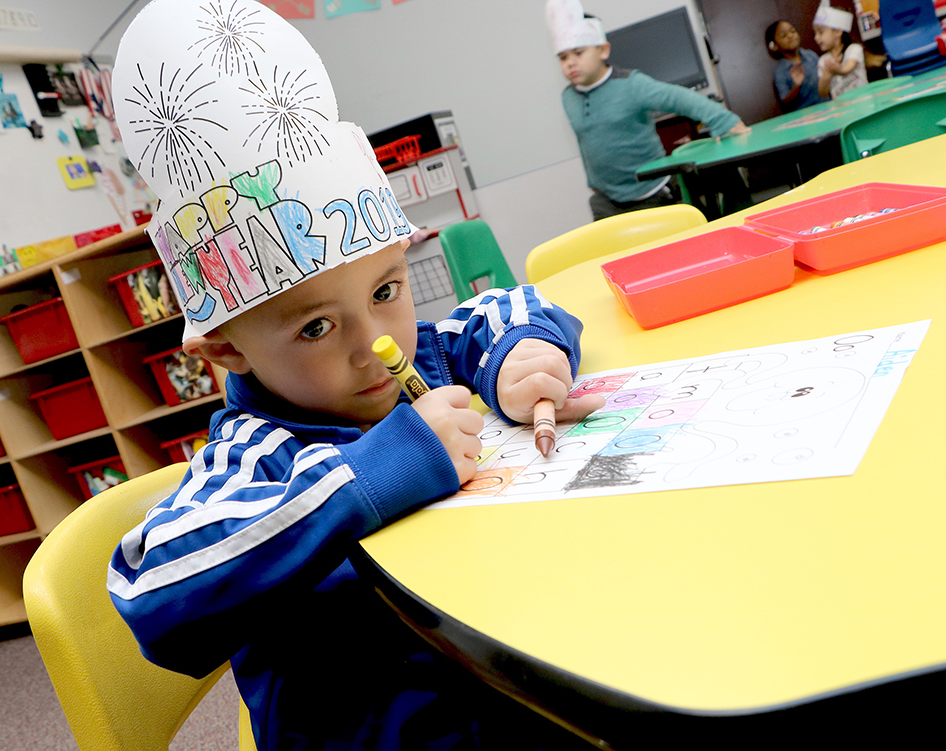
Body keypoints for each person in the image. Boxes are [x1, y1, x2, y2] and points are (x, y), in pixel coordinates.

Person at [106, 1, 605, 749]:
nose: (375, 345)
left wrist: (521, 355)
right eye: (314, 326)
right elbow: (152, 593)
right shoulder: (254, 455)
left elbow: (509, 306)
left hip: (504, 684)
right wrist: (375, 473)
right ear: (228, 351)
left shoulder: (419, 354)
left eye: (385, 290)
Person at [546, 0, 751, 221]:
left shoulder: (632, 84)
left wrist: (724, 119)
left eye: (578, 53)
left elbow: (679, 98)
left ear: (603, 50)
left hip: (653, 192)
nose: (570, 63)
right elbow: (585, 141)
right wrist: (592, 182)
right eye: (563, 57)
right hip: (608, 201)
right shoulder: (568, 97)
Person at [766, 20, 827, 112]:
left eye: (793, 31)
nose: (790, 36)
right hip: (806, 115)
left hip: (827, 105)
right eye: (783, 36)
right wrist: (796, 85)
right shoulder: (780, 72)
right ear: (774, 46)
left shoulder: (811, 55)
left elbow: (825, 76)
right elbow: (785, 100)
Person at [813, 5, 867, 100]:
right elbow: (823, 93)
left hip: (863, 103)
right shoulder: (823, 61)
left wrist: (838, 69)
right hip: (842, 110)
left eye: (821, 32)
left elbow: (847, 68)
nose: (816, 38)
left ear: (838, 31)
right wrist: (826, 77)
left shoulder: (854, 49)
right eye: (815, 33)